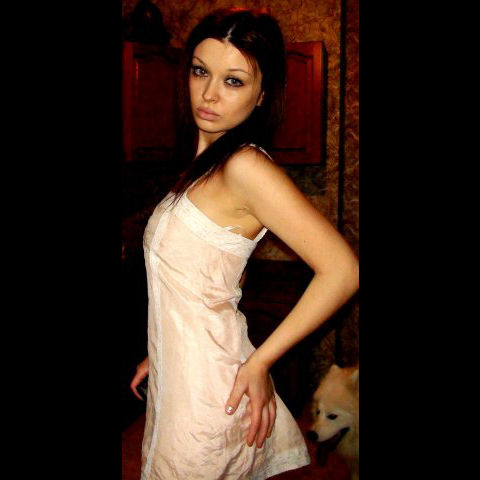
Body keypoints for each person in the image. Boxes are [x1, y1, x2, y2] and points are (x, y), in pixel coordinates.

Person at [130, 7, 359, 480]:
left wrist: (261, 361)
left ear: (262, 95)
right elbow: (201, 278)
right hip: (183, 377)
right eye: (200, 71)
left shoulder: (244, 167)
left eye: (233, 81)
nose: (209, 94)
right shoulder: (203, 166)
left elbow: (343, 270)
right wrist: (165, 345)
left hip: (211, 394)